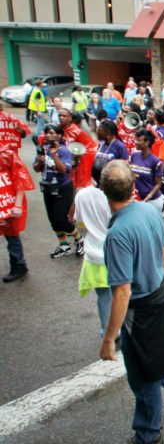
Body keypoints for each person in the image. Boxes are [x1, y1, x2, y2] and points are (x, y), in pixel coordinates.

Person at [99, 160, 164, 444]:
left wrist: (109, 338)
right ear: (134, 186)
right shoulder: (148, 210)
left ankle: (147, 434)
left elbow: (122, 292)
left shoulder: (117, 234)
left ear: (103, 191)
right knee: (154, 356)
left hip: (140, 308)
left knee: (143, 375)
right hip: (158, 294)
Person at [74, 159, 113, 336]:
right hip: (114, 254)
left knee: (103, 296)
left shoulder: (82, 195)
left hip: (93, 254)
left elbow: (80, 224)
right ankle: (121, 328)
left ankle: (107, 329)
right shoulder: (114, 197)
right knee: (122, 294)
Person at [33, 124, 84, 258]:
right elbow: (37, 169)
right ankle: (64, 245)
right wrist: (40, 161)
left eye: (51, 133)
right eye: (46, 133)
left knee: (61, 220)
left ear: (59, 135)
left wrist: (54, 156)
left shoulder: (64, 151)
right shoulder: (43, 149)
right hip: (47, 188)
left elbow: (63, 171)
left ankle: (79, 239)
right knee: (53, 221)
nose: (48, 135)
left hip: (63, 189)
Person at [0, 142, 35, 283]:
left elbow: (19, 178)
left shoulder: (7, 154)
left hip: (8, 202)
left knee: (12, 235)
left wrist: (18, 204)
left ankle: (19, 266)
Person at [129, 129, 164, 212]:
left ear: (147, 142)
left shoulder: (155, 161)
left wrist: (146, 199)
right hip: (136, 200)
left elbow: (158, 184)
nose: (135, 142)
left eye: (138, 140)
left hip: (152, 202)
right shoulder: (134, 156)